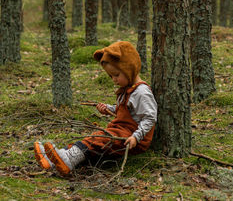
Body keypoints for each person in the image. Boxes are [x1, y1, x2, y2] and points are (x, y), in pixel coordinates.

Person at [34, 41, 157, 175]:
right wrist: (109, 109)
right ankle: (55, 159)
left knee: (100, 139)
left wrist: (136, 137)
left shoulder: (142, 92)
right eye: (111, 76)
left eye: (116, 75)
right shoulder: (127, 89)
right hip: (120, 131)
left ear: (129, 69)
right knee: (95, 140)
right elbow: (126, 111)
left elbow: (149, 117)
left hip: (132, 137)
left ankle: (68, 160)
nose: (114, 80)